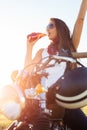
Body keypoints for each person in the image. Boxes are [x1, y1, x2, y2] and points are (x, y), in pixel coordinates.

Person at [24, 0, 87, 130]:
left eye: (50, 25)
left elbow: (80, 20)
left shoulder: (69, 47)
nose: (47, 28)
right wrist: (29, 47)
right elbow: (28, 69)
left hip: (62, 100)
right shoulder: (42, 52)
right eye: (47, 26)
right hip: (40, 98)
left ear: (60, 28)